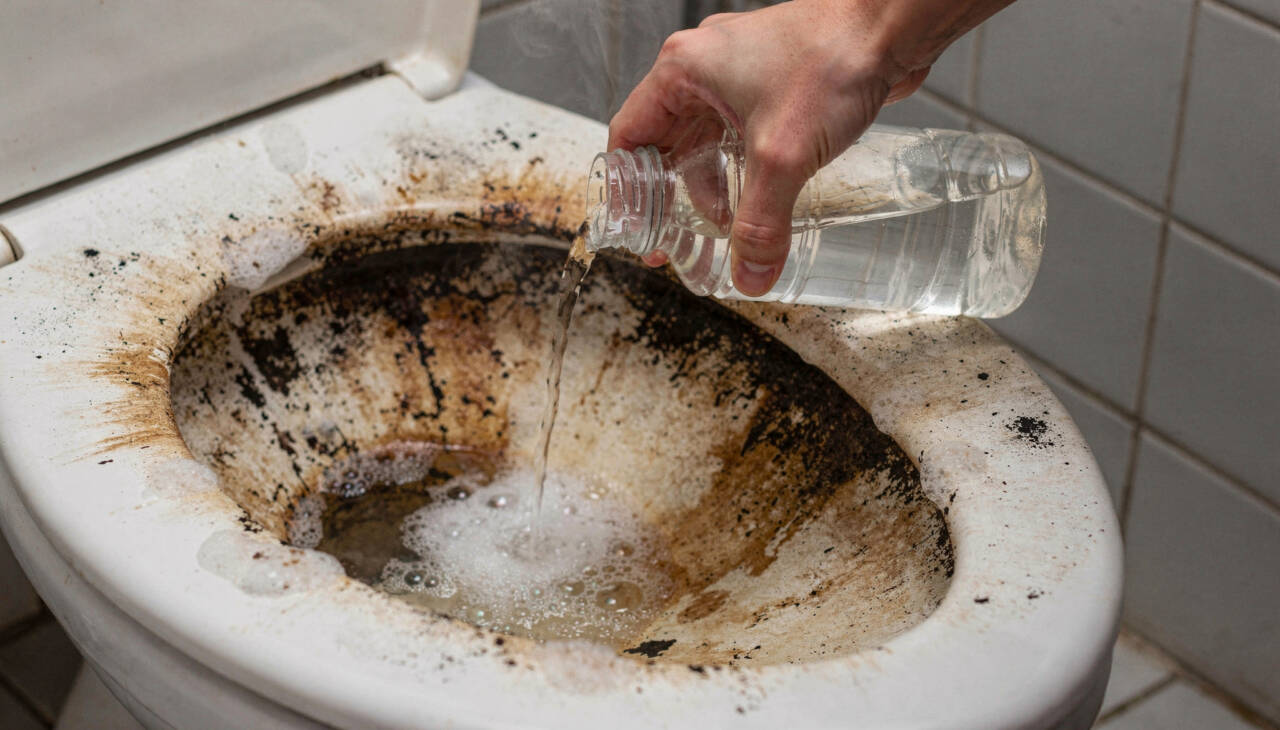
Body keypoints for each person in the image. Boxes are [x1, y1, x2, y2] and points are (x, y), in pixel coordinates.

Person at [608, 0, 1015, 296]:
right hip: (980, 269)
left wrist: (865, 27)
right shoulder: (694, 254)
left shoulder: (698, 260)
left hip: (988, 218)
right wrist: (867, 25)